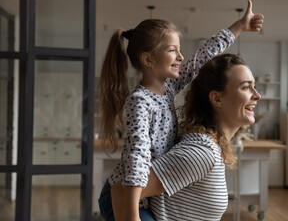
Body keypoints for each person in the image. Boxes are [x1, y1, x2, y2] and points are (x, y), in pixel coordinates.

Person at [98, 0, 264, 221]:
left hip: (141, 191)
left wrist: (239, 27)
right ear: (148, 59)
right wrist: (132, 216)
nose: (181, 57)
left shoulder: (168, 88)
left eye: (180, 50)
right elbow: (136, 155)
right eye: (172, 50)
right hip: (127, 190)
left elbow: (202, 58)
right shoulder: (139, 102)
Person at [111, 53, 261, 221]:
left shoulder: (211, 147)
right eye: (246, 87)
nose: (257, 95)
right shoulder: (202, 152)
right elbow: (120, 189)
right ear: (217, 98)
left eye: (254, 86)